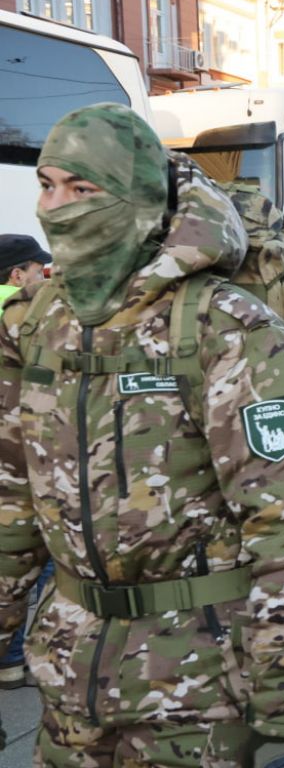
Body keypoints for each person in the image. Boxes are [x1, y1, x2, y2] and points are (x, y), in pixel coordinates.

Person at [0, 103, 284, 765]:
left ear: (138, 200)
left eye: (83, 189)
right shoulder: (34, 326)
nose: (57, 206)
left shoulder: (227, 327)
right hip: (68, 682)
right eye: (48, 185)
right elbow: (9, 499)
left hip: (201, 687)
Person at [0, 234, 55, 690]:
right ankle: (27, 656)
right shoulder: (26, 315)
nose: (44, 276)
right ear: (18, 274)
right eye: (39, 268)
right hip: (24, 460)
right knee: (45, 557)